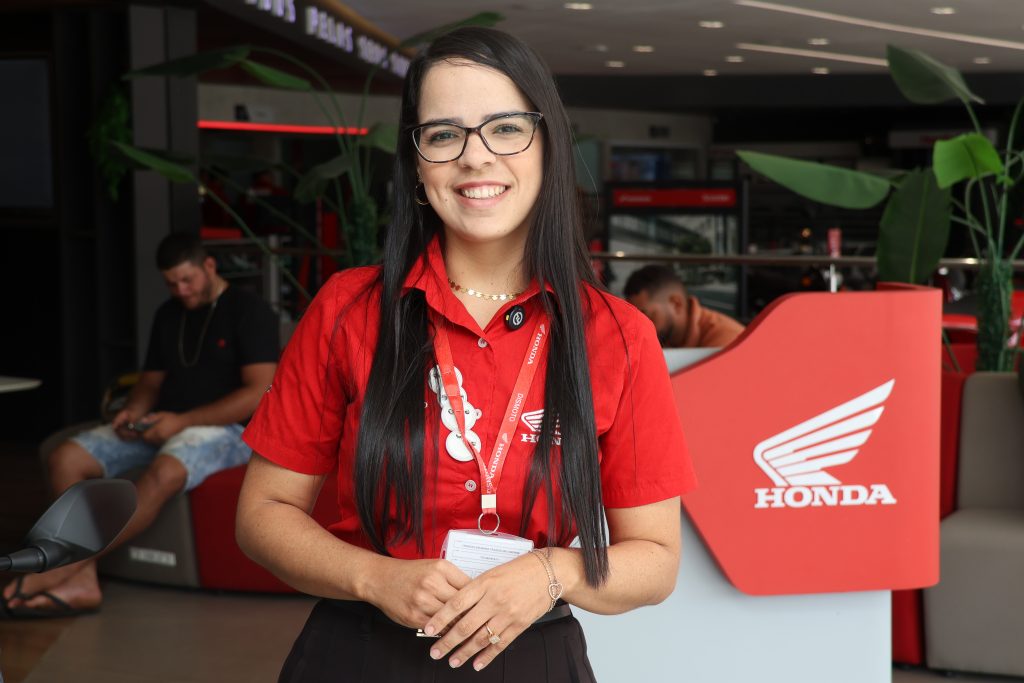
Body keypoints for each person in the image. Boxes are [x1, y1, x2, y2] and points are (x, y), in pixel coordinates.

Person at [237, 27, 696, 681]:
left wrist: (552, 571)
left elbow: (655, 560)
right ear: (417, 164)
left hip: (532, 657)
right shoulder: (348, 310)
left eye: (505, 128)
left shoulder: (618, 334)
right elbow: (262, 514)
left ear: (547, 146)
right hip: (360, 652)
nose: (475, 157)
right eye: (444, 134)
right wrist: (374, 576)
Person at [1, 233, 279, 618]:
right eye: (172, 283)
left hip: (230, 430)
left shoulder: (250, 310)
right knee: (67, 457)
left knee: (164, 472)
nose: (181, 291)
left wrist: (181, 421)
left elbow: (257, 392)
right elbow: (149, 383)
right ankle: (83, 581)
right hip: (162, 421)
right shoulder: (169, 313)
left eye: (187, 280)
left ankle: (63, 566)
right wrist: (132, 411)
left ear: (209, 266)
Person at [623, 264, 745, 348]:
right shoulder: (664, 337)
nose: (638, 328)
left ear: (676, 304)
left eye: (646, 316)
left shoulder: (727, 340)